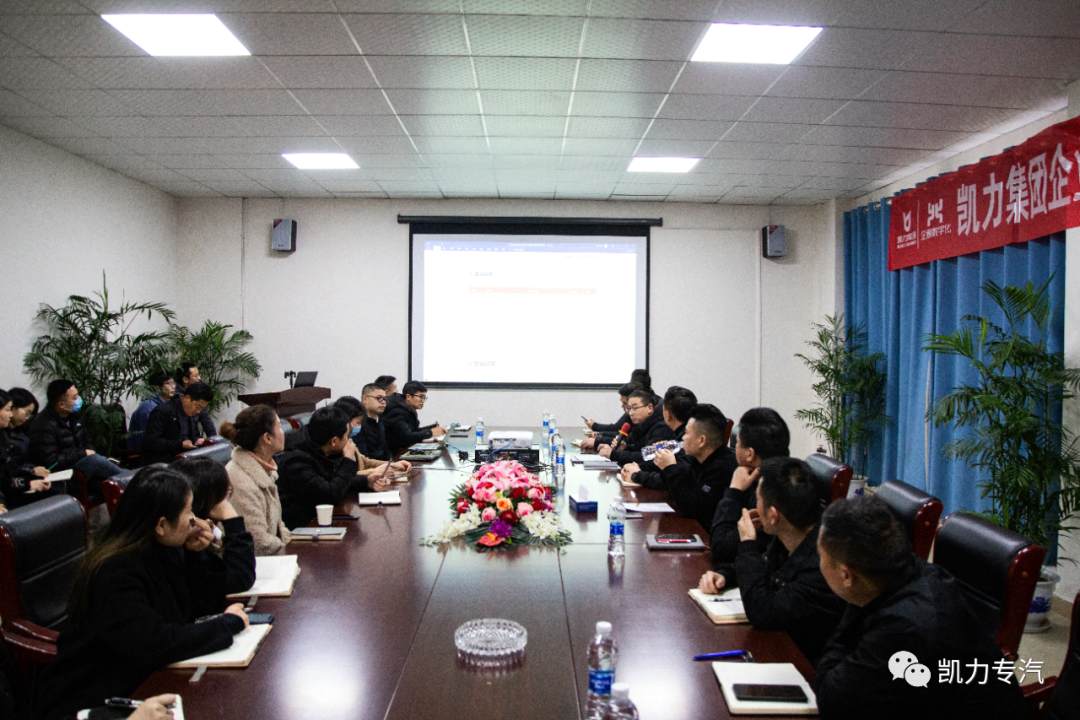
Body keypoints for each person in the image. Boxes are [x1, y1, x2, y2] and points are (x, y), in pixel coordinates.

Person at [33, 465, 249, 720]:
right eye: (188, 512)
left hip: (140, 680)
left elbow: (198, 608)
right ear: (161, 525)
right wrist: (226, 625)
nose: (194, 520)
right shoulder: (117, 570)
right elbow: (153, 643)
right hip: (91, 700)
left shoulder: (162, 549)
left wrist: (197, 556)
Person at [813, 496, 1030, 719]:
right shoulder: (906, 569)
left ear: (846, 575)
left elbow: (831, 699)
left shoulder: (906, 627)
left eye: (821, 556)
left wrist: (852, 607)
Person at [698, 457, 845, 664]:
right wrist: (726, 575)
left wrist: (747, 544)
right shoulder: (795, 528)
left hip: (805, 663)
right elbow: (766, 566)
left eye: (758, 501)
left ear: (773, 515)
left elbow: (763, 611)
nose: (755, 506)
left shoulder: (823, 563)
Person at [276, 406, 389, 529]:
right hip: (302, 528)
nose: (349, 441)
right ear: (334, 441)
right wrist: (348, 460)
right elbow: (330, 495)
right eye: (347, 436)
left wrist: (366, 481)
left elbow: (331, 479)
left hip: (317, 520)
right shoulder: (296, 461)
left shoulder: (318, 445)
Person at [709, 407, 790, 564]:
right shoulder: (774, 475)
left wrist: (734, 491)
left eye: (738, 443)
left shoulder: (769, 496)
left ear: (750, 454)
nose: (735, 448)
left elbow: (721, 548)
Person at [172, 456, 256, 595]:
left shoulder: (199, 530)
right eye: (224, 496)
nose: (225, 502)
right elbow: (240, 579)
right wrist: (231, 519)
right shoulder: (184, 540)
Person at [651, 403, 739, 529]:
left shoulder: (722, 468)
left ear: (702, 440)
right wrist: (666, 464)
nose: (683, 438)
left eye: (686, 433)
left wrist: (670, 468)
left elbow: (691, 508)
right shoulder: (698, 460)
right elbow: (676, 490)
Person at [27, 379, 121, 493]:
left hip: (82, 470)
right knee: (95, 461)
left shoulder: (74, 415)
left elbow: (87, 441)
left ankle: (131, 484)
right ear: (61, 404)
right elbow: (51, 461)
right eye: (74, 397)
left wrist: (88, 453)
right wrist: (82, 454)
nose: (79, 400)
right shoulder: (43, 425)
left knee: (112, 486)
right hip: (62, 476)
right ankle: (131, 479)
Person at [221, 405, 291, 555]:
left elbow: (279, 527)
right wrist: (290, 550)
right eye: (279, 427)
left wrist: (291, 545)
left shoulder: (265, 471)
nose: (283, 432)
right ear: (267, 438)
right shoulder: (239, 481)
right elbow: (258, 542)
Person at [619, 386, 697, 489]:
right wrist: (638, 467)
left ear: (668, 414)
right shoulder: (681, 436)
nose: (631, 413)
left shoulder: (684, 441)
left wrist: (636, 475)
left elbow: (669, 480)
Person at [0, 389, 56, 511]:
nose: (10, 414)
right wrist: (28, 483)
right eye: (8, 410)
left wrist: (31, 476)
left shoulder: (20, 437)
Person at [332, 397, 411, 477]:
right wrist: (373, 471)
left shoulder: (349, 440)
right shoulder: (336, 445)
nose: (359, 426)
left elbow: (364, 462)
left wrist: (392, 465)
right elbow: (343, 476)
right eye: (358, 422)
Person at [141, 382, 214, 466]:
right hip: (163, 464)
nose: (198, 411)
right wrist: (180, 444)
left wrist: (197, 440)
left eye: (202, 408)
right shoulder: (162, 411)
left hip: (184, 462)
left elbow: (193, 436)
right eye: (198, 407)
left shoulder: (191, 413)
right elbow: (150, 442)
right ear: (187, 398)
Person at [598, 388, 674, 465]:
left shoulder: (661, 428)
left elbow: (648, 457)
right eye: (629, 409)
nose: (631, 413)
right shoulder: (643, 425)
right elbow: (640, 449)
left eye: (635, 408)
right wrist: (625, 447)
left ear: (650, 408)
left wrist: (614, 455)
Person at [383, 380, 446, 455]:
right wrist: (430, 432)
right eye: (420, 397)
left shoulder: (409, 409)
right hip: (395, 455)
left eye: (424, 397)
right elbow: (407, 437)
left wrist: (434, 427)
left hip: (404, 450)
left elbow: (414, 431)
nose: (423, 401)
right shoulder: (396, 412)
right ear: (408, 397)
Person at [126, 371, 176, 453]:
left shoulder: (168, 405)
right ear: (157, 387)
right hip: (141, 453)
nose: (173, 386)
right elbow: (149, 438)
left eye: (173, 383)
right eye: (168, 383)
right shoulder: (148, 407)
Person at [581, 382, 638, 451]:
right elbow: (618, 429)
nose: (622, 406)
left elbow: (628, 440)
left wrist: (597, 441)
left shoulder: (640, 420)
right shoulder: (629, 415)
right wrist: (601, 434)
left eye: (625, 403)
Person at [176, 362, 216, 437]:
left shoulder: (199, 394)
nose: (199, 378)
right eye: (196, 376)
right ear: (185, 379)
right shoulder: (176, 397)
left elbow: (206, 420)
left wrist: (214, 439)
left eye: (199, 375)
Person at [359, 383, 394, 462]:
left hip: (383, 465)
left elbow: (385, 450)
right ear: (365, 399)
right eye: (379, 398)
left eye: (385, 399)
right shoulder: (358, 423)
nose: (383, 402)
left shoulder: (381, 421)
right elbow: (363, 457)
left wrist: (392, 463)